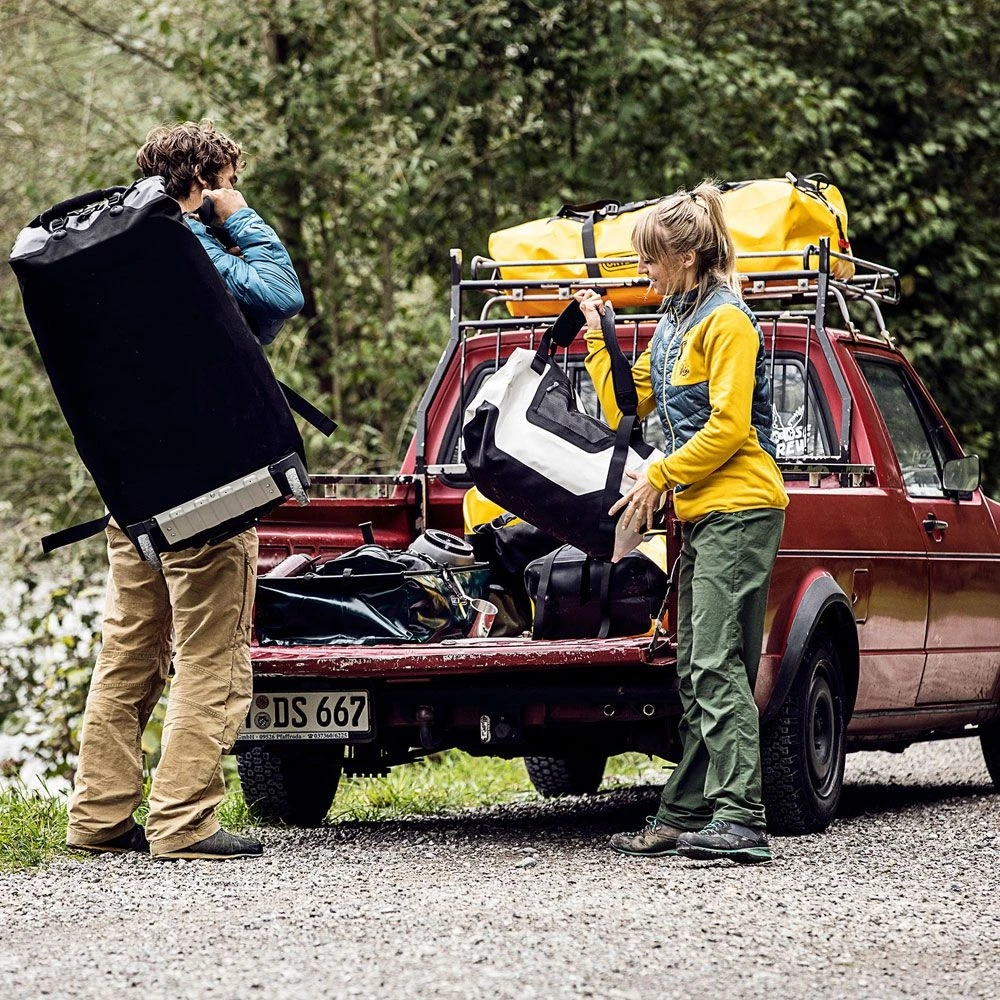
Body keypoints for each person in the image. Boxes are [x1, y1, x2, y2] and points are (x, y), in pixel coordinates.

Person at [65, 121, 304, 861]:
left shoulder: (105, 252)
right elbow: (281, 294)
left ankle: (99, 817)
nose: (235, 189)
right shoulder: (187, 246)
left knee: (129, 654)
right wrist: (236, 212)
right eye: (229, 177)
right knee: (211, 655)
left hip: (131, 491)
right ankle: (184, 822)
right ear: (204, 179)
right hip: (208, 487)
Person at [575, 181, 788, 865]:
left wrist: (660, 475)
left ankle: (741, 817)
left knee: (717, 662)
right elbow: (629, 406)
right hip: (699, 515)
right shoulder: (673, 324)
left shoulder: (728, 323)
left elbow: (729, 428)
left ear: (687, 257)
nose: (645, 271)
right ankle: (688, 812)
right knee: (696, 667)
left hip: (740, 507)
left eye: (652, 259)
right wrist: (599, 334)